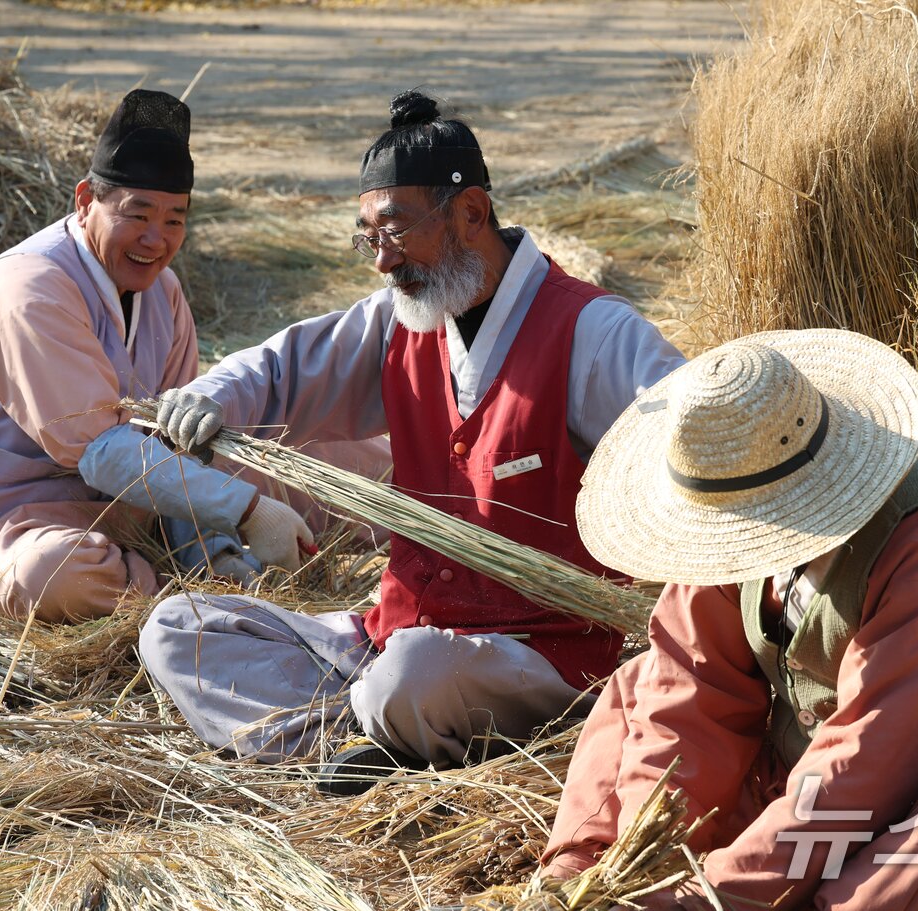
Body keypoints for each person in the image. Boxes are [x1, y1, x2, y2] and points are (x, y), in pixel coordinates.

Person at [139, 90, 685, 789]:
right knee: (177, 628)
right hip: (389, 634)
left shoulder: (592, 331)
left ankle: (363, 734)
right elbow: (280, 370)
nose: (380, 261)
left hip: (536, 654)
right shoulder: (400, 321)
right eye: (368, 235)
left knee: (412, 676)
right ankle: (360, 746)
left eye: (394, 229)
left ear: (472, 213)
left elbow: (685, 436)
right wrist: (205, 400)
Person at [537, 329, 918, 910]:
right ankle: (578, 882)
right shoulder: (727, 516)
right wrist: (642, 861)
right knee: (641, 684)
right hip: (813, 799)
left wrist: (713, 897)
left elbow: (875, 760)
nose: (730, 545)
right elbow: (692, 690)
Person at [0, 89, 389, 623]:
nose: (155, 239)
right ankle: (184, 603)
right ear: (85, 200)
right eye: (137, 214)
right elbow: (103, 453)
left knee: (347, 465)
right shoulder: (26, 289)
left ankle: (206, 579)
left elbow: (176, 447)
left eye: (174, 220)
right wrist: (246, 513)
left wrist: (214, 553)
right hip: (21, 528)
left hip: (137, 515)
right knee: (57, 575)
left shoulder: (162, 293)